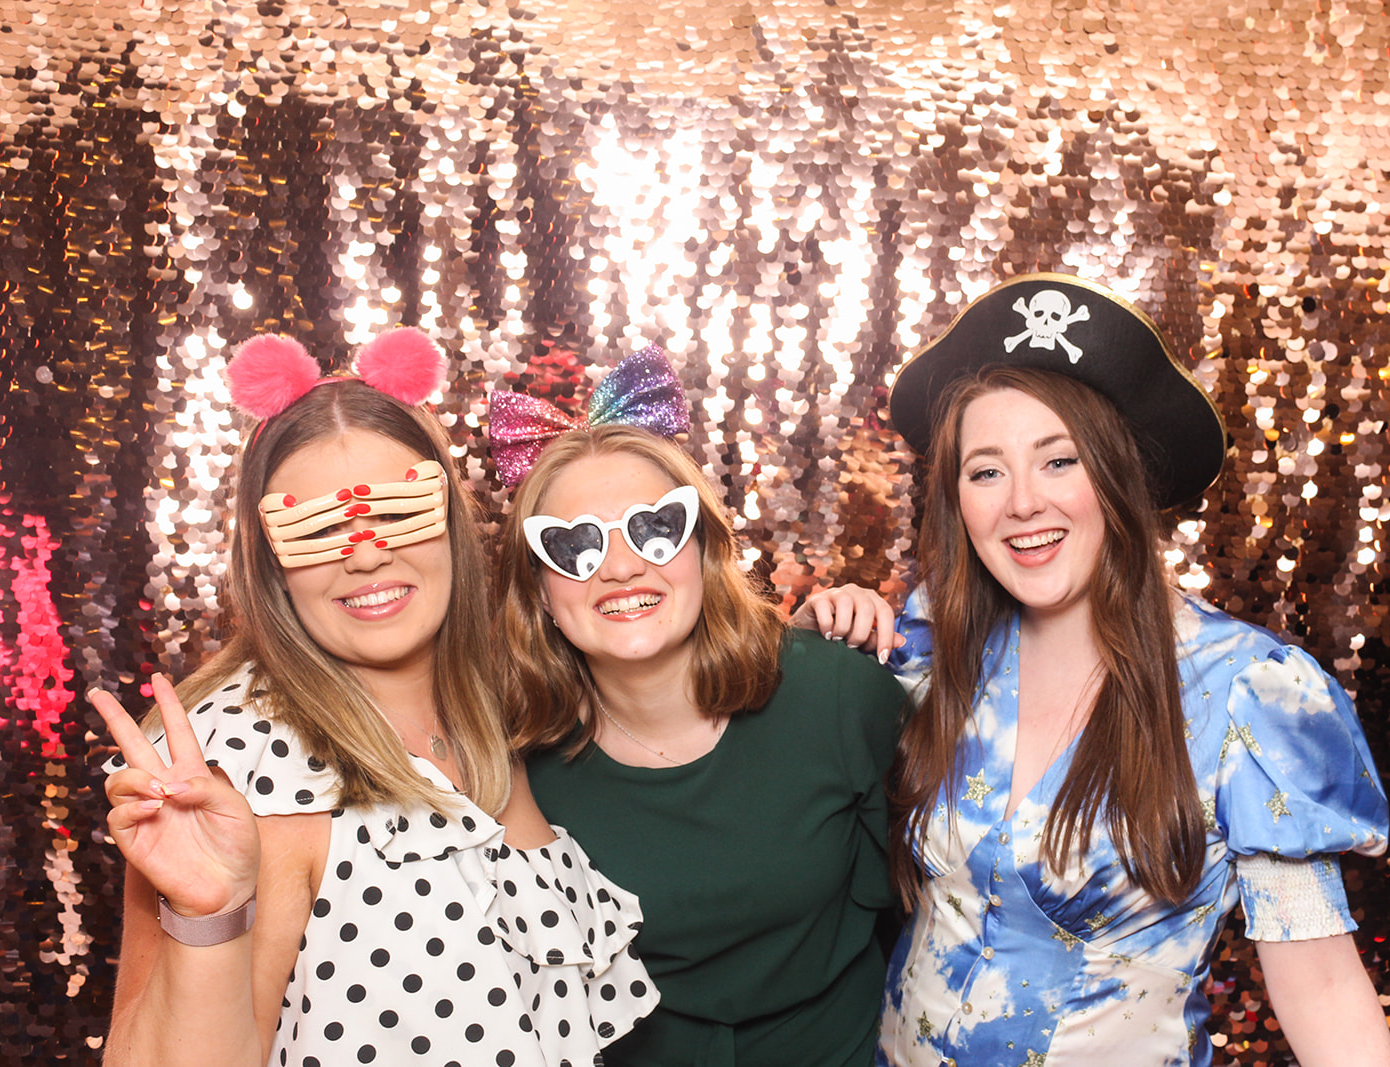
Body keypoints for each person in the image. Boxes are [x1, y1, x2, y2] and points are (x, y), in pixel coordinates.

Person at [800, 274, 1390, 1066]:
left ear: (1121, 479)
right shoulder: (931, 641)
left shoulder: (1252, 692)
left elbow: (1320, 984)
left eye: (1059, 460)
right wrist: (806, 653)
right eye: (985, 471)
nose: (1020, 503)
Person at [91, 328, 657, 1067]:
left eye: (397, 510)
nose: (364, 553)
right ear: (271, 564)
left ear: (450, 519)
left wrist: (826, 627)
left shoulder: (488, 701)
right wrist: (211, 915)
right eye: (316, 529)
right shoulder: (241, 759)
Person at [486, 345, 909, 1067]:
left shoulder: (840, 696)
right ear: (539, 590)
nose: (622, 567)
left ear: (704, 547)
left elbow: (936, 905)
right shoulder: (514, 761)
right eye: (575, 546)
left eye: (655, 527)